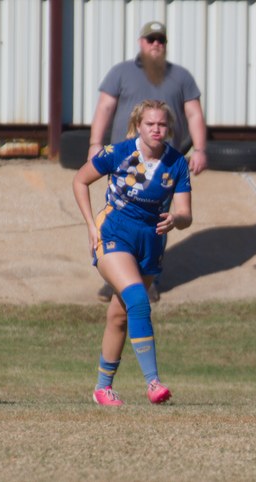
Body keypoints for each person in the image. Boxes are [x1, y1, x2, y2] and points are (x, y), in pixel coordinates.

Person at [73, 99, 192, 406]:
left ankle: (102, 388)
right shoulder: (118, 153)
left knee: (119, 314)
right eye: (150, 124)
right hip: (115, 232)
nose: (157, 129)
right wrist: (90, 225)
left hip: (151, 241)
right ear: (138, 125)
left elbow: (186, 214)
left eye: (162, 124)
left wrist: (176, 219)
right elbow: (80, 180)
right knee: (138, 300)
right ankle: (153, 383)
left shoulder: (177, 162)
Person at [89, 20, 208, 303]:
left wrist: (201, 148)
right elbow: (105, 107)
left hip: (164, 164)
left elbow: (193, 114)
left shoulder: (181, 77)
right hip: (124, 162)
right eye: (151, 39)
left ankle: (149, 278)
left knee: (158, 221)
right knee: (119, 216)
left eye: (161, 40)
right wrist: (95, 143)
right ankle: (116, 276)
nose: (156, 44)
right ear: (141, 43)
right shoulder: (121, 72)